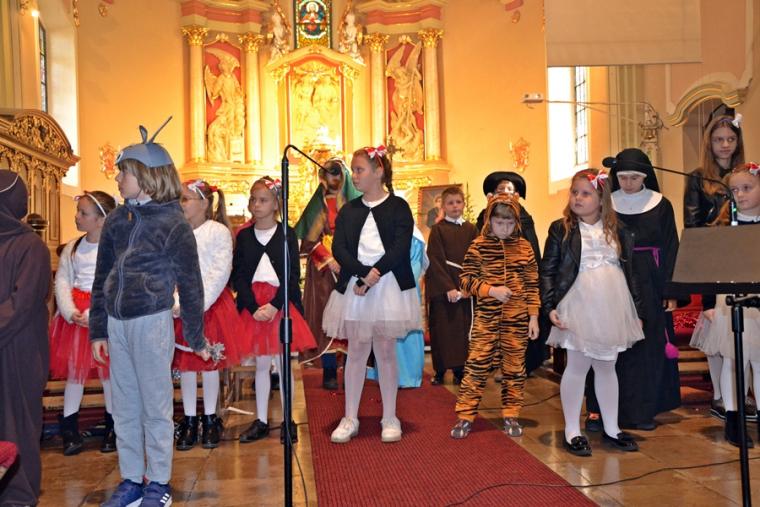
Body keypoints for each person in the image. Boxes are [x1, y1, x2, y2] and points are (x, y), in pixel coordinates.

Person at [90, 120, 209, 507]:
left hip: (151, 322)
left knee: (155, 406)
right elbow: (102, 277)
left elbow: (191, 285)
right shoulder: (115, 220)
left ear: (146, 176)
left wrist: (196, 337)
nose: (118, 179)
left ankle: (158, 481)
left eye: (123, 172)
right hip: (116, 323)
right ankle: (131, 478)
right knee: (124, 406)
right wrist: (97, 330)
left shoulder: (173, 223)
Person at [541, 169, 645, 456]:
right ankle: (572, 430)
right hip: (578, 304)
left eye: (586, 193)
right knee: (577, 366)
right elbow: (548, 270)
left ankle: (612, 427)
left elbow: (631, 273)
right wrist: (549, 306)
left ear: (601, 199)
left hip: (612, 304)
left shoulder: (618, 229)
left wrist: (636, 311)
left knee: (607, 366)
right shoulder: (561, 229)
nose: (578, 198)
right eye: (575, 192)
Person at [323, 146, 420, 443]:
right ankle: (350, 417)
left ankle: (389, 416)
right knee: (356, 351)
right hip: (357, 285)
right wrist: (362, 274)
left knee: (386, 351)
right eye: (353, 170)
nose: (354, 175)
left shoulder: (398, 207)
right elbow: (339, 247)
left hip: (388, 285)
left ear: (378, 171)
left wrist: (374, 274)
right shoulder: (349, 210)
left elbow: (400, 247)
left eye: (359, 169)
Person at [585, 149, 681, 432]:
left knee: (645, 348)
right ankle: (599, 410)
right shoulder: (606, 203)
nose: (628, 183)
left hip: (650, 281)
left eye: (634, 178)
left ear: (645, 177)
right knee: (608, 346)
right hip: (613, 275)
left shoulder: (661, 205)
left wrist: (670, 291)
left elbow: (671, 248)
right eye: (623, 177)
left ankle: (642, 411)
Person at [234, 177, 317, 444]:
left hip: (280, 304)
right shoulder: (244, 236)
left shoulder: (286, 234)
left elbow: (292, 275)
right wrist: (252, 307)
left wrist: (274, 305)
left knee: (283, 364)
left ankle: (287, 420)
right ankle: (260, 420)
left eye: (263, 200)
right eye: (253, 199)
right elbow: (239, 275)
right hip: (254, 306)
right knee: (261, 365)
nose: (256, 205)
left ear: (276, 204)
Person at [450, 193, 540, 438]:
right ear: (489, 220)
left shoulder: (524, 247)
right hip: (486, 320)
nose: (505, 228)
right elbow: (466, 281)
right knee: (476, 367)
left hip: (517, 320)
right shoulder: (478, 246)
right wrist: (491, 290)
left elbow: (532, 284)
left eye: (510, 223)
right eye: (500, 223)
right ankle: (465, 416)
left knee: (514, 369)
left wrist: (533, 316)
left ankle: (511, 414)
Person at [691, 162, 760, 447]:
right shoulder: (722, 226)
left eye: (747, 188)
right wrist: (708, 303)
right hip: (730, 302)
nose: (740, 194)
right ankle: (734, 419)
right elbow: (711, 269)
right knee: (734, 360)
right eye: (734, 190)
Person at [684, 113, 745, 420]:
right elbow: (693, 228)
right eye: (719, 139)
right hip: (713, 259)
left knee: (743, 332)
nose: (725, 145)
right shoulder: (698, 178)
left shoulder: (748, 174)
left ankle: (740, 394)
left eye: (731, 139)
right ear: (709, 142)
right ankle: (720, 396)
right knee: (716, 330)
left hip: (743, 259)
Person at [173, 179, 240, 451]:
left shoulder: (218, 232)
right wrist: (175, 301)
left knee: (209, 364)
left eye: (185, 199)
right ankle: (190, 418)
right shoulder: (176, 233)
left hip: (209, 307)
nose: (181, 204)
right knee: (186, 367)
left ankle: (211, 418)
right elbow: (169, 271)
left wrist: (195, 305)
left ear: (204, 203)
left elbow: (219, 272)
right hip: (179, 306)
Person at [49, 191, 117, 456]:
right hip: (75, 319)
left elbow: (115, 284)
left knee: (108, 374)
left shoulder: (114, 248)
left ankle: (113, 425)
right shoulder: (73, 247)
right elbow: (63, 280)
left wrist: (96, 313)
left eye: (83, 213)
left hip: (103, 315)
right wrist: (69, 311)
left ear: (101, 219)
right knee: (74, 375)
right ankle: (69, 427)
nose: (76, 216)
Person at [0, 170, 51, 507]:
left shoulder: (30, 245)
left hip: (20, 348)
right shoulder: (30, 243)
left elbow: (25, 301)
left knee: (17, 420)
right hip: (14, 342)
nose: (27, 202)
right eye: (24, 196)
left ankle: (17, 493)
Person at [294, 158, 362, 390]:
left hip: (352, 267)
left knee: (352, 317)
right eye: (328, 173)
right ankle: (330, 371)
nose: (333, 178)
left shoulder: (356, 205)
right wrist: (329, 259)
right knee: (327, 318)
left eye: (336, 173)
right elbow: (308, 239)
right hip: (324, 272)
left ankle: (352, 370)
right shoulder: (318, 204)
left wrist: (349, 260)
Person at [425, 185, 478, 385]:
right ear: (443, 207)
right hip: (444, 288)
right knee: (442, 330)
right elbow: (435, 259)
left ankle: (460, 370)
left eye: (458, 202)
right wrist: (448, 287)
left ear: (463, 204)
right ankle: (440, 371)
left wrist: (468, 286)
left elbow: (477, 258)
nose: (455, 206)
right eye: (450, 203)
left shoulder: (471, 229)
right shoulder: (438, 230)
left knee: (461, 331)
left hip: (464, 287)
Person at [367, 226, 428, 388]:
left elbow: (416, 262)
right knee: (387, 332)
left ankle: (409, 376)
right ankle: (388, 375)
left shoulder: (415, 236)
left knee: (408, 330)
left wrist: (402, 282)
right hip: (385, 287)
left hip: (407, 287)